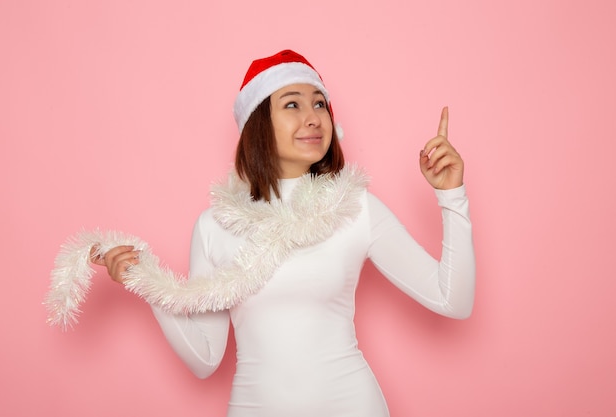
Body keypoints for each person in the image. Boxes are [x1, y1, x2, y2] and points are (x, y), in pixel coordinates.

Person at [91, 49, 475, 416]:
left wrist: (451, 195)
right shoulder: (216, 226)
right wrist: (149, 284)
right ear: (257, 122)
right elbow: (205, 359)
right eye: (292, 104)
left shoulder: (356, 207)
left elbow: (452, 300)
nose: (313, 117)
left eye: (319, 103)